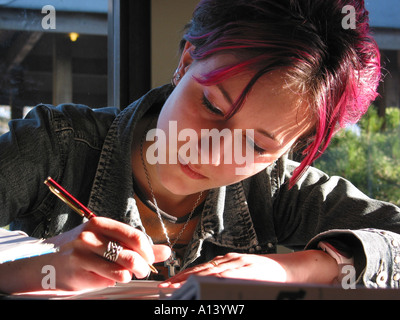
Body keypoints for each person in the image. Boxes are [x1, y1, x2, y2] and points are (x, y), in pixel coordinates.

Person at [1, 0, 399, 294]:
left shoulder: (277, 187)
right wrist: (35, 266)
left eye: (256, 145)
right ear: (187, 62)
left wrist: (294, 270)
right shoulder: (53, 146)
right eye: (211, 105)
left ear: (290, 150)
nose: (210, 151)